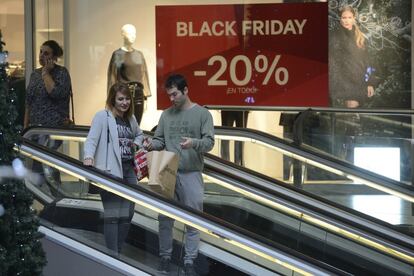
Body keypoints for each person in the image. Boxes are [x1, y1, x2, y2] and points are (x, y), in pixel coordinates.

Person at [144, 74, 214, 275]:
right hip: (165, 168)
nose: (171, 99)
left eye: (174, 94)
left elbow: (209, 143)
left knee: (193, 220)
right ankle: (165, 257)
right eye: (169, 95)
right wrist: (151, 144)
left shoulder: (202, 115)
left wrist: (193, 143)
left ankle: (189, 261)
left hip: (191, 172)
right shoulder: (166, 115)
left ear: (186, 90)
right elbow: (159, 141)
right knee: (164, 219)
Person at [83, 82, 144, 256]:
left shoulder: (130, 119)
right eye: (120, 99)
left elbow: (139, 134)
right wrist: (89, 156)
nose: (124, 102)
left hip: (129, 171)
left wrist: (136, 144)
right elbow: (92, 139)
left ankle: (116, 250)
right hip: (110, 171)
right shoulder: (103, 116)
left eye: (127, 99)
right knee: (113, 215)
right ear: (113, 99)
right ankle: (113, 255)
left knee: (128, 214)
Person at [24, 40, 72, 193]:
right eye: (40, 52)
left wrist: (46, 73)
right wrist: (26, 128)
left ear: (54, 56)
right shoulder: (34, 74)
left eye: (46, 53)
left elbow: (55, 92)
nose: (42, 56)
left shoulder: (62, 73)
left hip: (54, 128)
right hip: (35, 129)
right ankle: (53, 199)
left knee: (44, 162)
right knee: (44, 164)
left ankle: (49, 198)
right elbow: (28, 102)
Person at [329, 5, 375, 108]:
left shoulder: (361, 38)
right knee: (348, 113)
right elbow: (331, 62)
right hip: (342, 83)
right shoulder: (333, 36)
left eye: (349, 17)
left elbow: (368, 63)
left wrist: (370, 83)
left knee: (354, 116)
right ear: (340, 19)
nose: (347, 21)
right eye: (344, 18)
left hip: (359, 82)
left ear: (354, 18)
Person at [107, 23, 151, 125]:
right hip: (124, 93)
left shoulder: (139, 54)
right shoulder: (118, 54)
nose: (133, 36)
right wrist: (112, 98)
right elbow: (113, 76)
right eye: (129, 33)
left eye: (134, 34)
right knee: (123, 123)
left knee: (136, 124)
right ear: (123, 34)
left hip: (139, 94)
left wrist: (146, 97)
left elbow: (144, 75)